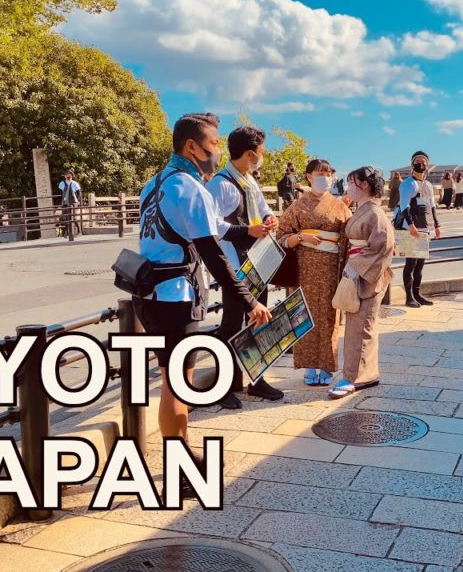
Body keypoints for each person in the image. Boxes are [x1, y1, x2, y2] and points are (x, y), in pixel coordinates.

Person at [134, 113, 271, 498]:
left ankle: (184, 457)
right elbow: (213, 252)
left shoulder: (156, 183)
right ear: (191, 146)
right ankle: (181, 469)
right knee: (178, 385)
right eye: (212, 143)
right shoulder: (187, 186)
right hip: (174, 297)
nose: (216, 150)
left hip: (150, 294)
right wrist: (249, 301)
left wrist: (249, 230)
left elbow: (218, 228)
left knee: (172, 383)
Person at [205, 125, 284, 409]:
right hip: (235, 265)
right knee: (231, 325)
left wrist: (270, 218)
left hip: (257, 261)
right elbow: (213, 226)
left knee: (258, 320)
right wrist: (247, 231)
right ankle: (223, 385)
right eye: (261, 152)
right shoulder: (220, 183)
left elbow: (262, 208)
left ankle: (257, 378)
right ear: (250, 153)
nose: (262, 156)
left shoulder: (249, 179)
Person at [276, 158, 352, 387]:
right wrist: (301, 237)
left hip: (331, 268)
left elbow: (350, 234)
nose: (325, 178)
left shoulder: (340, 205)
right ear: (308, 177)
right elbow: (281, 236)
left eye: (328, 174)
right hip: (305, 268)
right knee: (305, 315)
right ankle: (309, 366)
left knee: (330, 317)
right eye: (320, 173)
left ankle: (327, 366)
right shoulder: (298, 206)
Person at [328, 166, 395, 399]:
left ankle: (354, 377)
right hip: (358, 270)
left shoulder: (375, 214)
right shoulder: (363, 210)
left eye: (351, 183)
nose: (348, 188)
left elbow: (383, 247)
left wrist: (355, 268)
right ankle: (365, 373)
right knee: (359, 326)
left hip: (366, 274)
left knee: (361, 328)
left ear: (364, 185)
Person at [397, 150, 441, 308]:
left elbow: (433, 206)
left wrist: (437, 225)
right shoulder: (408, 183)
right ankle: (408, 297)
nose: (421, 163)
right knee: (410, 263)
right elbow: (404, 205)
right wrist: (410, 225)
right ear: (412, 164)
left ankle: (417, 293)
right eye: (417, 161)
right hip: (410, 227)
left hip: (424, 226)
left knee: (420, 264)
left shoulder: (428, 185)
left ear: (428, 165)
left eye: (424, 161)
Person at [58, 170, 82, 238]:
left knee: (73, 217)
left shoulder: (75, 184)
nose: (68, 177)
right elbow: (61, 193)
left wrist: (77, 201)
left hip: (73, 202)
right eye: (67, 176)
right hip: (65, 202)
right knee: (64, 217)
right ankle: (66, 232)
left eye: (70, 176)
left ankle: (79, 231)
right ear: (65, 176)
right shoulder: (62, 183)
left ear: (71, 176)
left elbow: (79, 193)